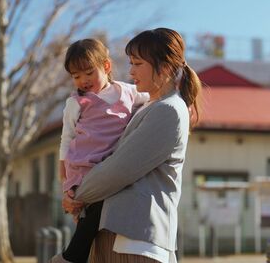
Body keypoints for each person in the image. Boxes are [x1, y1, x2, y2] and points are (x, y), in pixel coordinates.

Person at [62, 28, 202, 263]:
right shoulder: (149, 106)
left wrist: (77, 195)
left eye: (137, 63)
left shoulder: (168, 110)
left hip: (137, 241)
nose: (131, 71)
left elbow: (118, 169)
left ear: (165, 67)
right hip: (122, 236)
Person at [53, 38, 149, 263]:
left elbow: (154, 98)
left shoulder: (127, 91)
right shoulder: (76, 103)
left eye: (88, 72)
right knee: (87, 208)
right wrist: (63, 173)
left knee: (98, 210)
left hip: (111, 164)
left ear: (106, 66)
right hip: (84, 165)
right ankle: (73, 255)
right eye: (76, 76)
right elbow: (66, 138)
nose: (83, 81)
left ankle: (73, 255)